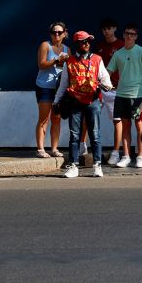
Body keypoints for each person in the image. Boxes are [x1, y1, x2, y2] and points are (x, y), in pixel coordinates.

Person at [54, 31, 112, 179]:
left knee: (95, 134)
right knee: (74, 135)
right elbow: (63, 84)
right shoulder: (70, 62)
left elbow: (105, 77)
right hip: (75, 102)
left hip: (92, 101)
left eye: (88, 41)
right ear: (77, 44)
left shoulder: (97, 60)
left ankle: (97, 166)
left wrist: (107, 84)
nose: (86, 44)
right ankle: (73, 166)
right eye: (83, 42)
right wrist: (56, 101)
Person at [107, 23, 142, 168]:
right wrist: (102, 82)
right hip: (121, 95)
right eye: (127, 33)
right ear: (123, 35)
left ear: (136, 37)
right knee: (125, 127)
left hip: (137, 95)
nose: (129, 36)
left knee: (139, 126)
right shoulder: (118, 54)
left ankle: (141, 157)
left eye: (132, 34)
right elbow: (108, 72)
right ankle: (126, 156)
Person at [95, 16, 127, 163]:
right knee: (87, 117)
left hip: (116, 89)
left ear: (115, 29)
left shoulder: (122, 45)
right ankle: (82, 147)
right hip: (100, 89)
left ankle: (115, 152)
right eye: (104, 29)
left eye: (109, 28)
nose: (107, 31)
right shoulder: (99, 47)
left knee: (117, 120)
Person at [35, 22, 69, 158]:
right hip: (44, 86)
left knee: (57, 117)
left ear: (64, 34)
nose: (56, 34)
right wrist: (56, 61)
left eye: (59, 32)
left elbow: (69, 68)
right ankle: (40, 149)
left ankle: (54, 148)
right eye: (54, 32)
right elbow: (41, 65)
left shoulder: (67, 49)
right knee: (44, 118)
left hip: (59, 88)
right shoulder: (45, 45)